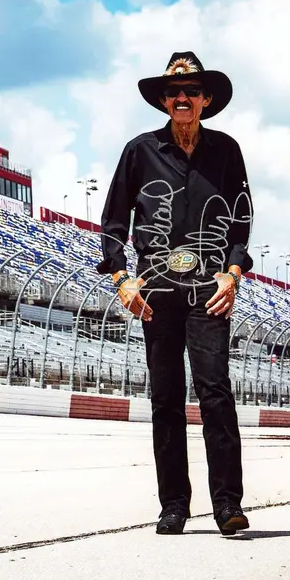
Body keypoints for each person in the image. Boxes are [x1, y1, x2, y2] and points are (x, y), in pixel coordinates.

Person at [96, 51, 254, 536]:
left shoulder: (227, 151)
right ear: (164, 101)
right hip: (156, 294)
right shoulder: (139, 151)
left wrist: (233, 274)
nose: (181, 97)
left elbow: (242, 220)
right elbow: (112, 222)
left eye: (190, 91)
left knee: (216, 395)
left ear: (206, 98)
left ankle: (227, 504)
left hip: (209, 291)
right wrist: (121, 278)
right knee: (165, 399)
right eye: (173, 92)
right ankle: (173, 506)